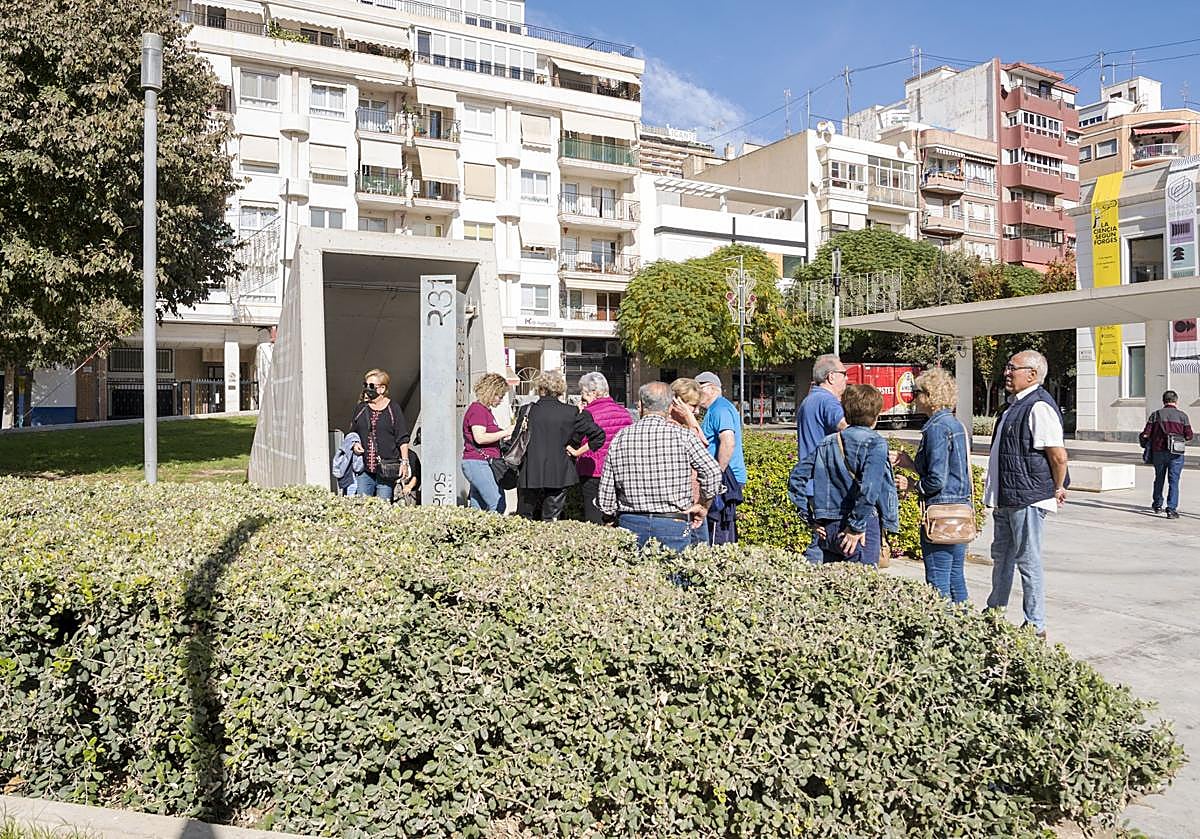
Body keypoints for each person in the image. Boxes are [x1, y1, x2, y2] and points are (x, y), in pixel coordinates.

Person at [984, 350, 1069, 640]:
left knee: (1027, 560)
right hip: (1008, 497)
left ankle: (1036, 623)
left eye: (1013, 368)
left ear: (1032, 374)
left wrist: (1058, 487)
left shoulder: (1039, 407)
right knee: (1002, 557)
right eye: (1007, 368)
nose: (1007, 373)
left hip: (1027, 498)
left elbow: (1058, 456)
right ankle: (995, 609)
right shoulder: (1013, 406)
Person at [598, 381, 723, 552]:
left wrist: (608, 517)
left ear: (640, 405)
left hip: (631, 521)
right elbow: (713, 472)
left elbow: (606, 491)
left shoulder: (621, 437)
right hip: (673, 522)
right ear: (670, 405)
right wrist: (703, 505)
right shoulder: (683, 436)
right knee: (674, 575)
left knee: (633, 577)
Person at [791, 383, 899, 565]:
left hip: (828, 526)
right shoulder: (876, 443)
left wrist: (809, 518)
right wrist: (856, 526)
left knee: (832, 588)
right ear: (876, 415)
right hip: (860, 528)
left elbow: (796, 478)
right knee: (862, 588)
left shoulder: (827, 442)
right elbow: (869, 489)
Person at [894, 368, 972, 602]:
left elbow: (937, 480)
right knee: (956, 578)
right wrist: (910, 463)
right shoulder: (955, 425)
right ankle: (966, 630)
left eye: (915, 393)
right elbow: (950, 472)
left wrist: (911, 485)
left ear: (929, 396)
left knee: (938, 584)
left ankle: (944, 633)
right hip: (959, 511)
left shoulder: (936, 429)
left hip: (940, 514)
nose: (912, 398)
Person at [517, 371, 605, 521]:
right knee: (551, 519)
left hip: (530, 470)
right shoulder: (571, 412)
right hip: (560, 470)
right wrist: (577, 452)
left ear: (541, 388)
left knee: (524, 519)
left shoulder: (527, 410)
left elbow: (516, 440)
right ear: (560, 389)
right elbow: (599, 436)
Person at [795, 354, 850, 563]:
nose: (847, 379)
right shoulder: (828, 402)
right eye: (843, 374)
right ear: (831, 377)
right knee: (826, 547)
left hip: (812, 486)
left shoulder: (810, 400)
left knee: (818, 541)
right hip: (826, 487)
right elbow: (849, 430)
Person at [569, 372, 633, 525]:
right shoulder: (625, 414)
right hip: (620, 470)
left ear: (593, 393)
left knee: (594, 518)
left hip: (593, 470)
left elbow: (576, 439)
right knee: (617, 515)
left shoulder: (588, 414)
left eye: (583, 393)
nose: (582, 397)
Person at [695, 371, 747, 543]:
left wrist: (717, 474)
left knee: (718, 531)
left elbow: (728, 441)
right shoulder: (717, 408)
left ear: (711, 388)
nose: (696, 393)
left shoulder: (720, 408)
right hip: (723, 477)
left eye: (698, 388)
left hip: (725, 479)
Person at [349, 368, 410, 501]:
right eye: (365, 385)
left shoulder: (393, 408)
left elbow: (402, 438)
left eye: (371, 386)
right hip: (364, 469)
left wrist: (404, 462)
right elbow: (352, 432)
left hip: (386, 468)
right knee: (362, 508)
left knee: (383, 506)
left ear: (382, 389)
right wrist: (355, 444)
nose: (367, 389)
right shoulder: (361, 408)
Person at [461, 373, 513, 513]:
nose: (501, 400)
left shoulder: (484, 410)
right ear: (490, 392)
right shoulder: (478, 410)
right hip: (479, 462)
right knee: (497, 503)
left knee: (478, 507)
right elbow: (480, 438)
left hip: (479, 462)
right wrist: (505, 432)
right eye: (499, 396)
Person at [668, 378, 711, 545]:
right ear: (677, 402)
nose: (697, 412)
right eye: (693, 406)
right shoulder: (676, 430)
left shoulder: (686, 428)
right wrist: (691, 421)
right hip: (685, 506)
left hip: (694, 502)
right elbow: (702, 449)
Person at [1140, 390, 1193, 519]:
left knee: (1159, 478)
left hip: (1159, 452)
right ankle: (1171, 509)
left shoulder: (1156, 415)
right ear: (1176, 401)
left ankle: (1157, 505)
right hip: (1176, 454)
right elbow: (1189, 435)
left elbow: (1146, 433)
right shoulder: (1182, 416)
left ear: (1163, 401)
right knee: (1174, 481)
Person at [331, 431, 363, 496]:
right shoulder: (347, 453)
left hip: (349, 478)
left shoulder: (344, 452)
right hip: (351, 478)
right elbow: (358, 468)